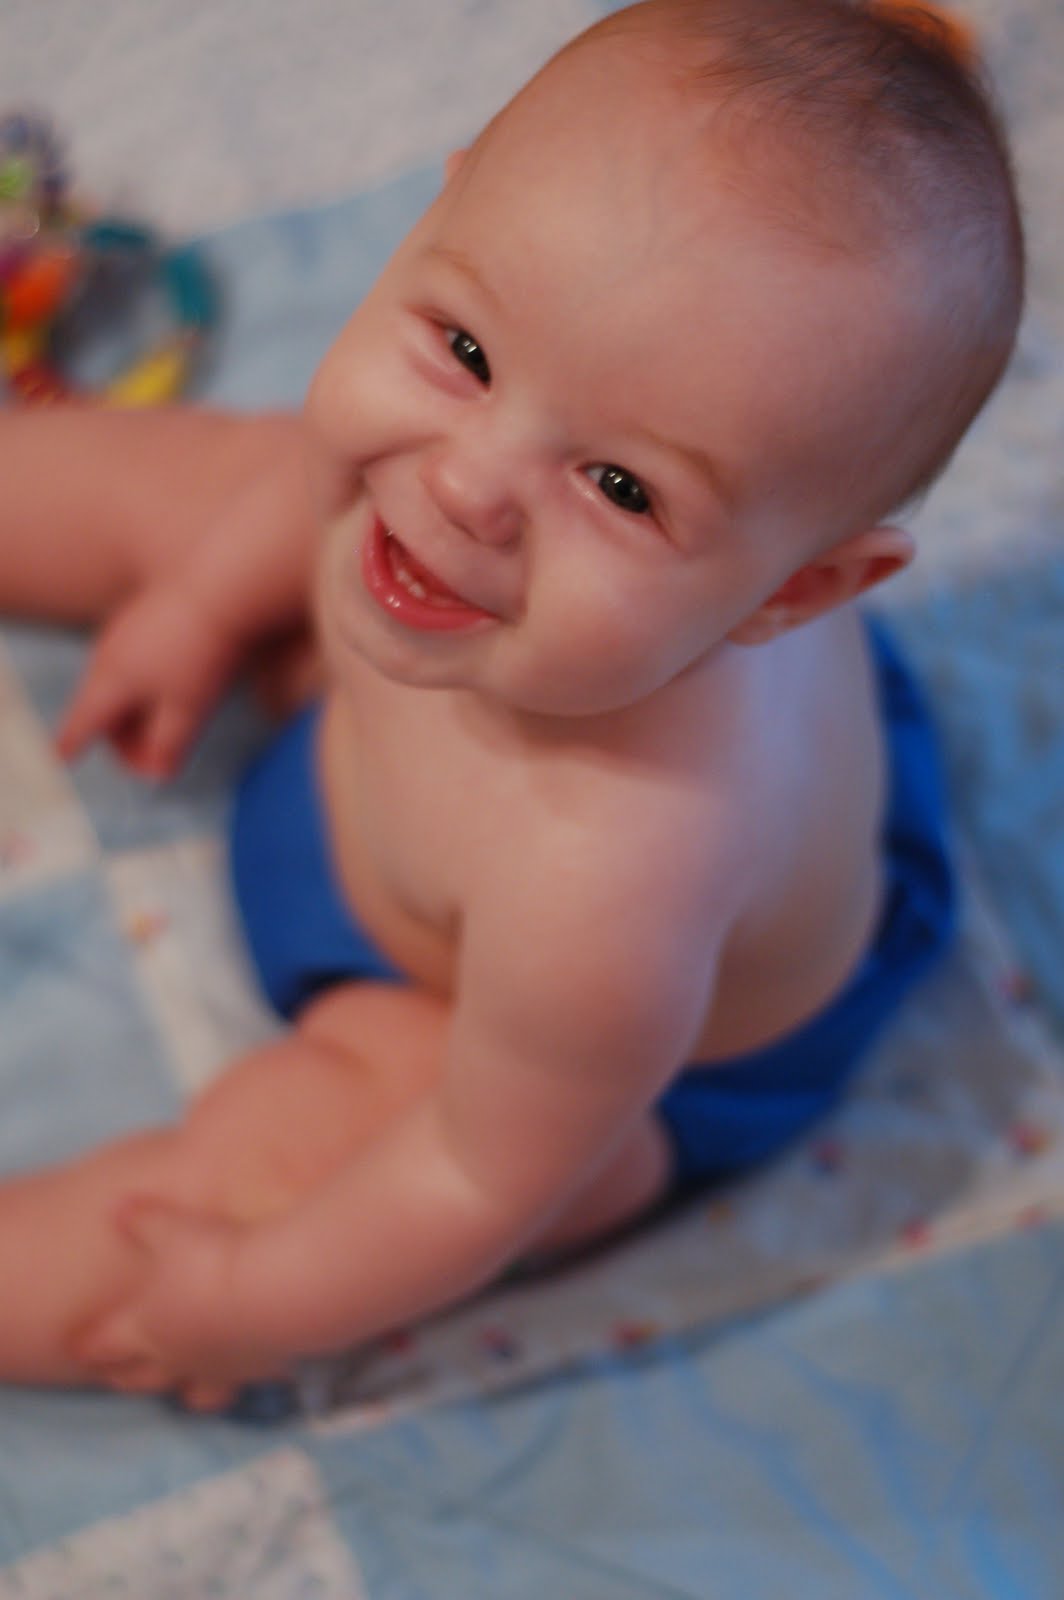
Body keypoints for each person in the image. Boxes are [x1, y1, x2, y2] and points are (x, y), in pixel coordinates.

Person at [0, 0, 1023, 1412]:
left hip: (503, 1037)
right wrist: (203, 604)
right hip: (390, 765)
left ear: (797, 590)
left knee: (280, 1182)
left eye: (623, 488)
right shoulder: (442, 484)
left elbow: (479, 1177)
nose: (467, 484)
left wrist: (252, 1301)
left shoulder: (614, 876)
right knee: (220, 478)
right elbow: (322, 487)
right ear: (442, 207)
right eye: (468, 349)